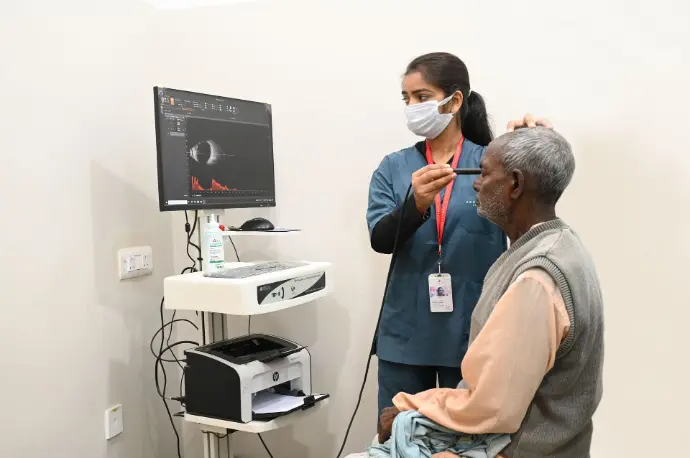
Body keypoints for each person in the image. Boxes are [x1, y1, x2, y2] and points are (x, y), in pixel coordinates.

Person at [379, 127, 604, 458]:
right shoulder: (561, 245)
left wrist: (408, 406)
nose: (475, 183)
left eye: (484, 174)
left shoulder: (536, 278)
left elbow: (491, 407)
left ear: (515, 184)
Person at [366, 51, 553, 422]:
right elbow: (381, 240)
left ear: (454, 101)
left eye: (422, 97)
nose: (412, 107)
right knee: (398, 433)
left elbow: (532, 218)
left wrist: (534, 148)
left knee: (465, 439)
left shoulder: (492, 165)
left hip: (472, 333)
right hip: (406, 334)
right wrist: (416, 205)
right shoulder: (393, 167)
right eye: (406, 98)